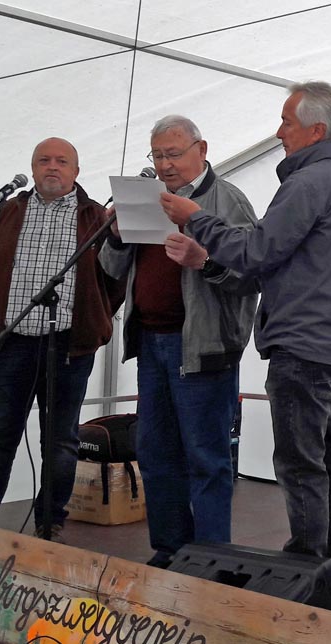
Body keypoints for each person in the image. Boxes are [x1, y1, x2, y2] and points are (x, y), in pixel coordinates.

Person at [160, 81, 331, 612]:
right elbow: (285, 263)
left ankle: (308, 574)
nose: (278, 132)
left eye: (286, 121)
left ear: (315, 130)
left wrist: (196, 219)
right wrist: (211, 262)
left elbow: (257, 251)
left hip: (303, 347)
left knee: (302, 465)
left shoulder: (308, 184)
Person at [99, 115, 259, 568]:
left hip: (203, 349)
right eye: (157, 155)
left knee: (206, 458)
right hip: (152, 344)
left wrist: (204, 260)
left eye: (173, 154)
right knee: (155, 453)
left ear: (201, 150)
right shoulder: (145, 200)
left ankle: (209, 560)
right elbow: (111, 269)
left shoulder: (227, 200)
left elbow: (252, 275)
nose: (165, 164)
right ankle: (170, 550)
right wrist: (116, 238)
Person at [0, 137, 124, 542]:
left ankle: (49, 525)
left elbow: (113, 279)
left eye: (62, 161)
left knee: (61, 442)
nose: (52, 167)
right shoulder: (8, 212)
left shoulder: (96, 216)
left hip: (69, 346)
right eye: (44, 160)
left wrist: (94, 317)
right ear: (33, 168)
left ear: (76, 171)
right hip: (12, 342)